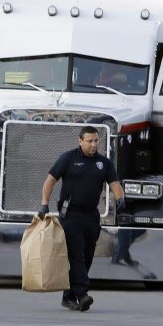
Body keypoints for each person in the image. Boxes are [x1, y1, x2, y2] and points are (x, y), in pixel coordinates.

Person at [40, 126, 124, 312]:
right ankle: (83, 294)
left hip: (91, 215)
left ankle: (68, 296)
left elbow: (115, 184)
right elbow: (50, 180)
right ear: (80, 141)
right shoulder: (68, 158)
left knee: (87, 256)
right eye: (89, 141)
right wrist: (44, 204)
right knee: (76, 254)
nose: (93, 145)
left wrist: (121, 199)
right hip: (71, 215)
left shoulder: (104, 163)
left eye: (96, 141)